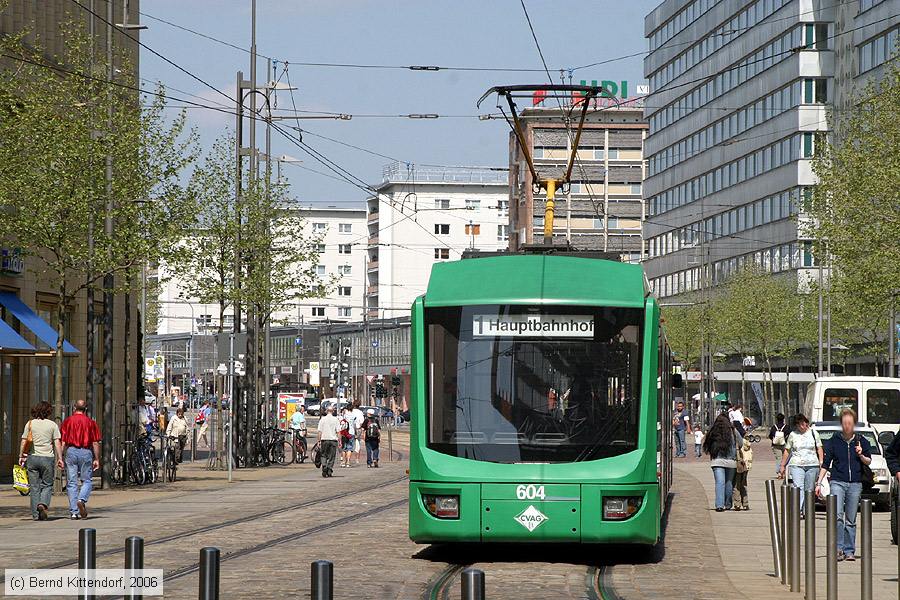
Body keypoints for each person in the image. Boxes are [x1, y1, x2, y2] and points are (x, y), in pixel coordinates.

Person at [816, 408, 872, 561]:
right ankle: (838, 548)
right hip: (837, 481)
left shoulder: (861, 441)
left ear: (854, 424)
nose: (847, 426)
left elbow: (868, 461)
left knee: (851, 519)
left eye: (850, 423)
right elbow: (826, 464)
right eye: (845, 423)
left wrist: (861, 454)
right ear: (841, 424)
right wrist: (819, 482)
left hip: (855, 483)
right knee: (837, 516)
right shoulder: (834, 441)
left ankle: (849, 550)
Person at [18, 401, 62, 521]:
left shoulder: (30, 424)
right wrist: (60, 458)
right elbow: (57, 442)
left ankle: (35, 515)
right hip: (48, 458)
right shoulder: (52, 425)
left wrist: (21, 455)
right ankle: (43, 504)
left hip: (33, 458)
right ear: (48, 412)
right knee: (47, 485)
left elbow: (24, 440)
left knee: (34, 487)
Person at [59, 399, 101, 520]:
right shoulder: (90, 423)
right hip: (86, 451)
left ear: (74, 408)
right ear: (85, 409)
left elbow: (63, 441)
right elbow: (95, 442)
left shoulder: (67, 421)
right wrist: (97, 458)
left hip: (71, 451)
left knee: (71, 482)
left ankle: (73, 512)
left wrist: (60, 457)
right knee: (87, 480)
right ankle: (81, 499)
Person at [777, 413, 822, 516]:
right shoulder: (793, 435)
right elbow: (787, 451)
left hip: (812, 464)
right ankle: (797, 511)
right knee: (798, 487)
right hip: (796, 464)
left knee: (809, 489)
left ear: (806, 423)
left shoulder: (814, 433)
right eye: (798, 425)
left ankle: (807, 511)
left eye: (803, 424)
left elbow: (819, 447)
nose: (801, 426)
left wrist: (821, 462)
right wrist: (782, 466)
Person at [702, 413, 742, 512]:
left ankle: (719, 505)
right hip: (731, 461)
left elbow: (706, 444)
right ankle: (728, 504)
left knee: (719, 483)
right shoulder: (733, 430)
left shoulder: (712, 431)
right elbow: (740, 443)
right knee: (729, 483)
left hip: (717, 461)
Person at [317, 405, 340, 477]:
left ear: (326, 411)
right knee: (332, 456)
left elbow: (319, 431)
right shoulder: (335, 419)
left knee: (323, 454)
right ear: (333, 411)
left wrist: (319, 441)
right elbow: (338, 432)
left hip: (324, 439)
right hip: (333, 440)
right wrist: (340, 441)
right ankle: (329, 469)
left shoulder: (322, 419)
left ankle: (324, 465)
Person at [733, 436, 754, 510]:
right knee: (744, 484)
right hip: (747, 465)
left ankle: (737, 503)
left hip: (739, 464)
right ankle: (745, 503)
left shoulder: (737, 441)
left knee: (736, 484)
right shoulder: (747, 443)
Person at [350, 401, 365, 466]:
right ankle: (357, 459)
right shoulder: (360, 412)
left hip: (350, 429)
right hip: (358, 429)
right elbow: (362, 422)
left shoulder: (351, 411)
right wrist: (362, 430)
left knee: (349, 444)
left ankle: (348, 459)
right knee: (357, 444)